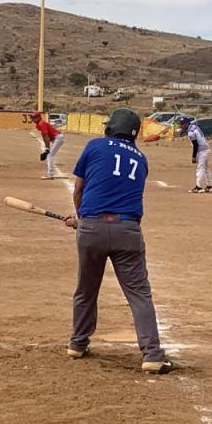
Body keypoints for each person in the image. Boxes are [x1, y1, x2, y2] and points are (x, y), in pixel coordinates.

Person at [63, 108, 173, 373]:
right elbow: (127, 198)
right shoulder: (141, 158)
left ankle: (77, 344)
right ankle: (152, 354)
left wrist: (84, 220)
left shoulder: (95, 146)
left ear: (111, 128)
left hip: (91, 230)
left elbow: (79, 191)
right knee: (139, 294)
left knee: (86, 289)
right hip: (128, 229)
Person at [179, 118, 212, 193]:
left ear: (186, 124)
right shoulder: (194, 127)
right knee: (206, 168)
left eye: (182, 124)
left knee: (200, 168)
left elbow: (195, 145)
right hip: (206, 149)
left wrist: (193, 156)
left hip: (201, 151)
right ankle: (209, 186)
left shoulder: (190, 132)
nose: (181, 125)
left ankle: (198, 187)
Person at [32, 111, 65, 179]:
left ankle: (50, 174)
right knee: (50, 154)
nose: (32, 119)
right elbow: (44, 137)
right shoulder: (39, 125)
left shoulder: (41, 123)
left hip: (57, 138)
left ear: (39, 117)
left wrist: (47, 149)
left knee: (50, 155)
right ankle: (51, 172)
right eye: (32, 117)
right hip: (56, 139)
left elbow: (46, 137)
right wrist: (47, 149)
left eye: (34, 117)